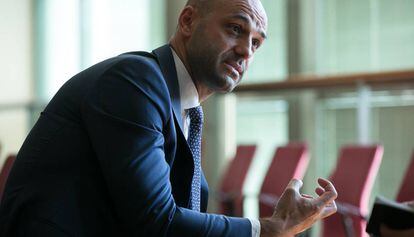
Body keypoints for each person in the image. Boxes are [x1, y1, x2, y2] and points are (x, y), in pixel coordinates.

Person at [0, 0, 338, 236]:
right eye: (236, 29)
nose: (246, 50)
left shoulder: (182, 106)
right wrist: (266, 229)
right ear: (188, 21)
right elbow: (157, 223)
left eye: (256, 43)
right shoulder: (135, 82)